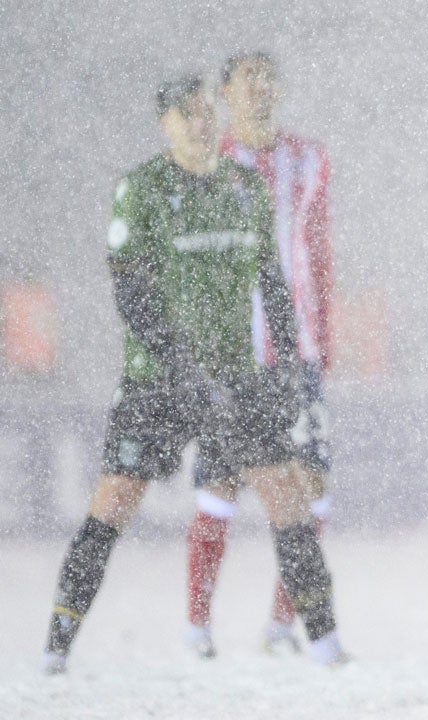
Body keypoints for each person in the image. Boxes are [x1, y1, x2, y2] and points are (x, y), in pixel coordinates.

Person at [41, 75, 347, 674]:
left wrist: (282, 364)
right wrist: (181, 365)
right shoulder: (144, 187)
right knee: (113, 504)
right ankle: (56, 645)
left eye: (206, 112)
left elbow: (272, 285)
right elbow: (131, 291)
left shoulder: (244, 187)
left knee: (289, 497)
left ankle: (327, 644)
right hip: (157, 381)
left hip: (236, 378)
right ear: (166, 124)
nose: (200, 123)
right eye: (185, 114)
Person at [184, 50, 337, 658]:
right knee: (222, 481)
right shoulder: (209, 163)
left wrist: (325, 335)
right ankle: (197, 627)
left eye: (267, 77)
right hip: (233, 355)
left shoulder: (310, 159)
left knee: (313, 483)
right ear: (225, 94)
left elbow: (319, 246)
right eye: (247, 80)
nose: (260, 89)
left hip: (297, 353)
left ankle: (280, 626)